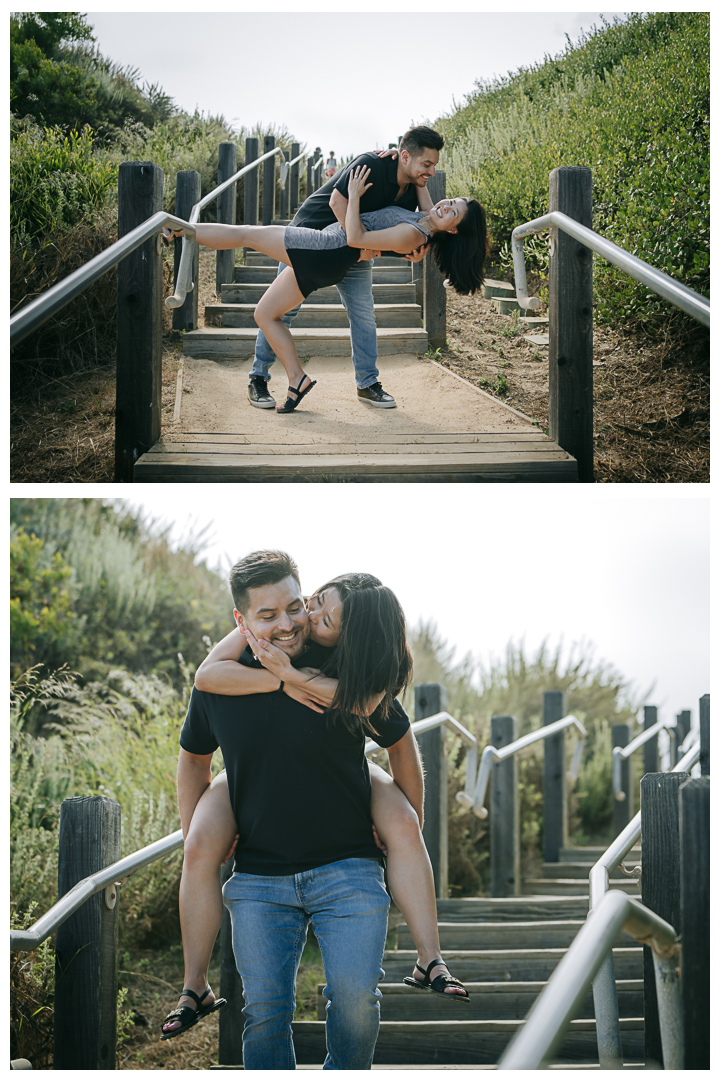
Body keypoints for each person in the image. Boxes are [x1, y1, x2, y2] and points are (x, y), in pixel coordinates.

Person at [162, 555, 469, 1067]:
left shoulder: (344, 663)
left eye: (295, 607)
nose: (286, 624)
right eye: (266, 616)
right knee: (263, 1014)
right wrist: (206, 834)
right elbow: (194, 760)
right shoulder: (221, 681)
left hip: (348, 869)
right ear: (241, 621)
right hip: (260, 877)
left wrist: (403, 828)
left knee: (354, 1005)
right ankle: (195, 986)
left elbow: (396, 736)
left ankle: (429, 959)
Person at [165, 164, 487, 414]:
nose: (446, 205)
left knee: (247, 234)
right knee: (265, 314)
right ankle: (296, 378)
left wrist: (356, 194)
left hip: (325, 247)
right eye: (452, 199)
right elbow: (425, 194)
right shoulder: (425, 221)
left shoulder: (415, 235)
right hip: (327, 257)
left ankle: (181, 229)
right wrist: (409, 164)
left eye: (454, 211)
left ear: (455, 229)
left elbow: (356, 238)